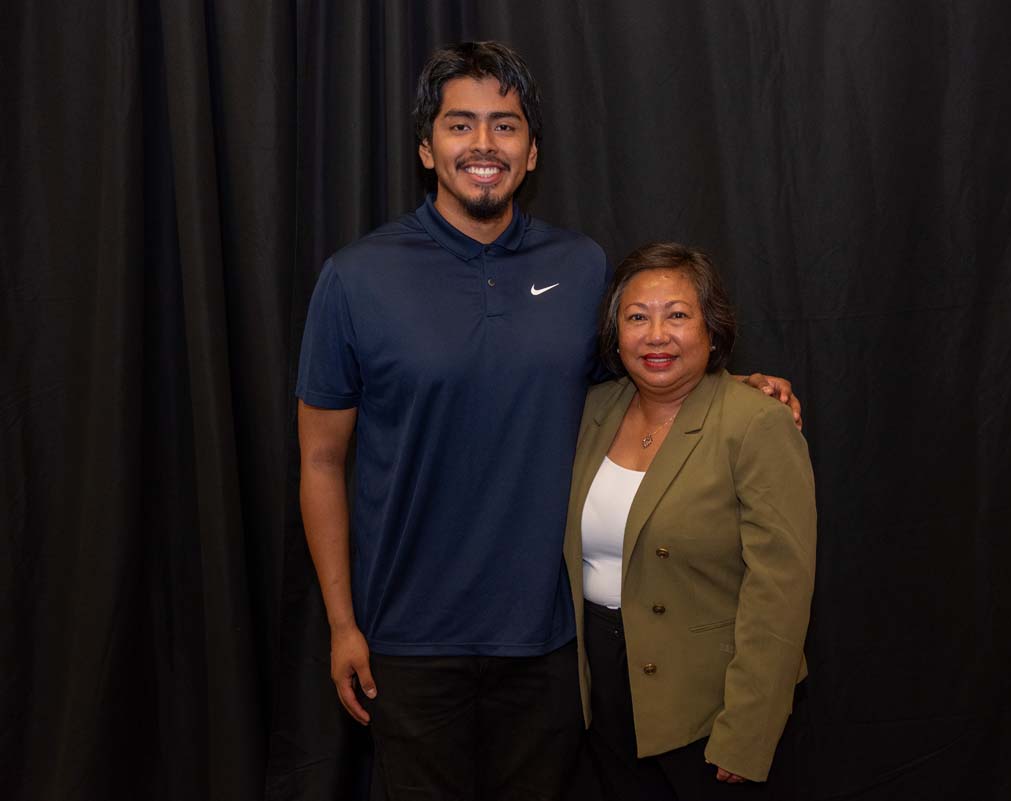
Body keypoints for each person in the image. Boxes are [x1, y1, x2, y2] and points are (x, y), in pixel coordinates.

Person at [296, 42, 800, 801]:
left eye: (505, 126)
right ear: (426, 149)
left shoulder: (583, 267)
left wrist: (738, 389)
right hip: (408, 641)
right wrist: (342, 623)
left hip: (553, 647)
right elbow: (321, 462)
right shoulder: (355, 277)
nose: (483, 144)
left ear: (531, 153)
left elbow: (643, 384)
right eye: (461, 125)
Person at [564, 243, 817, 800]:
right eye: (637, 317)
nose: (656, 335)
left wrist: (748, 731)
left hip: (709, 705)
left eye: (677, 315)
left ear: (712, 328)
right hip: (604, 696)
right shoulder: (592, 410)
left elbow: (781, 591)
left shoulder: (755, 423)